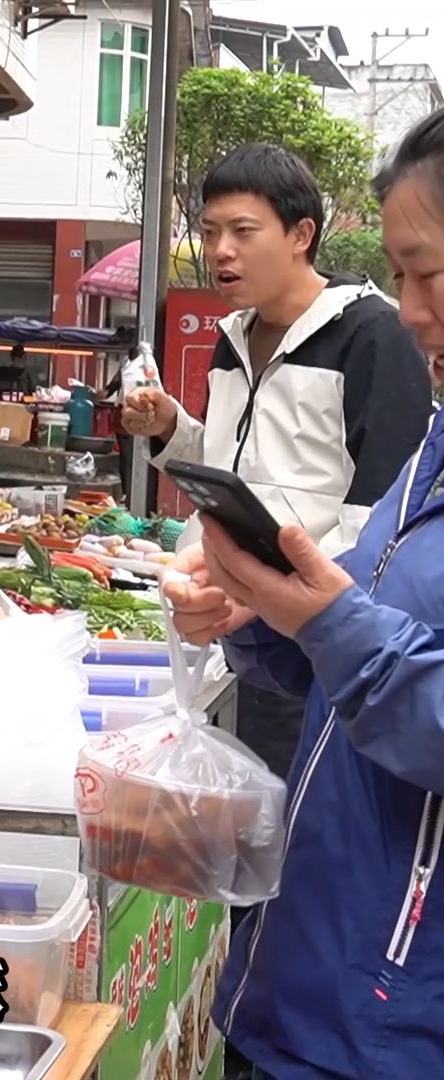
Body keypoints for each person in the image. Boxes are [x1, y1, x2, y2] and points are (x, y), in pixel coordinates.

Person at [166, 107, 444, 1080]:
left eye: (430, 275)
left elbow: (387, 630)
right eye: (210, 233)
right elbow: (377, 596)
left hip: (384, 1020)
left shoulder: (363, 342)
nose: (412, 313)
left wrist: (318, 616)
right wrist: (260, 619)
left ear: (300, 236)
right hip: (304, 980)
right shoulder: (434, 445)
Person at [123, 142, 432, 781]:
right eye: (210, 233)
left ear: (301, 234)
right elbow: (228, 466)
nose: (220, 252)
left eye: (242, 231)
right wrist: (170, 428)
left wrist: (299, 607)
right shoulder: (232, 339)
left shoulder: (374, 334)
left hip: (327, 648)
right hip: (238, 632)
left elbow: (381, 515)